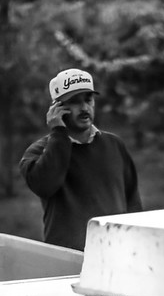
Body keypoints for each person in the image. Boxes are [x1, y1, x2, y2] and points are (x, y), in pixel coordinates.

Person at [19, 68, 142, 250]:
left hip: (117, 252)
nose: (84, 108)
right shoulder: (38, 151)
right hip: (68, 259)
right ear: (56, 108)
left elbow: (133, 202)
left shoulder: (114, 144)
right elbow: (45, 185)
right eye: (75, 102)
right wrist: (59, 134)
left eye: (88, 100)